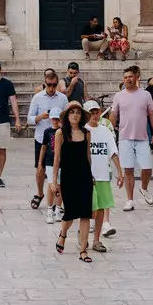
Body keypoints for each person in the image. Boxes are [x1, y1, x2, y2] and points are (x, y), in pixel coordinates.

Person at [53, 100, 96, 261]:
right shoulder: (60, 133)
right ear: (67, 115)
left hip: (84, 175)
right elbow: (57, 159)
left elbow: (88, 156)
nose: (75, 115)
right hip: (68, 176)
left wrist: (91, 175)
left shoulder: (86, 133)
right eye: (72, 112)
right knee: (70, 213)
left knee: (85, 213)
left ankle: (84, 250)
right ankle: (63, 234)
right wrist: (54, 181)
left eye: (78, 112)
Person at [112, 65, 153, 210]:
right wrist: (110, 132)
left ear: (136, 77)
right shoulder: (119, 96)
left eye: (130, 76)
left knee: (147, 168)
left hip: (142, 137)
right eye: (125, 77)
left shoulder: (146, 95)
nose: (128, 79)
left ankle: (144, 188)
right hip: (125, 137)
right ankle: (130, 199)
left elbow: (151, 114)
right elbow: (114, 115)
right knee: (128, 169)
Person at [26, 70, 68, 219]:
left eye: (54, 85)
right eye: (49, 85)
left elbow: (68, 116)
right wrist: (40, 117)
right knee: (40, 169)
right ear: (45, 84)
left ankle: (59, 202)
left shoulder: (62, 98)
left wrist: (60, 121)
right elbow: (29, 119)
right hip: (41, 137)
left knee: (60, 169)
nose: (51, 88)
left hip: (59, 138)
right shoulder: (37, 98)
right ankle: (39, 192)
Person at [85, 100, 117, 254]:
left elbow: (113, 151)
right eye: (91, 112)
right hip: (86, 176)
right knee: (87, 208)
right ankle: (82, 234)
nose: (95, 115)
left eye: (96, 111)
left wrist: (120, 172)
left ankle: (96, 240)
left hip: (103, 174)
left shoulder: (105, 131)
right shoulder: (82, 131)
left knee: (102, 208)